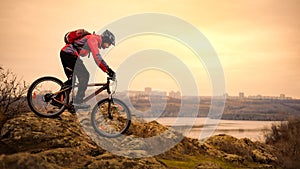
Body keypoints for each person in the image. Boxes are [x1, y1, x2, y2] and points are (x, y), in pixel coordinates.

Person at [59, 29, 116, 109]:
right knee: (85, 75)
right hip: (69, 54)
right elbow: (97, 57)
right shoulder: (93, 39)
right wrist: (108, 70)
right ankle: (78, 101)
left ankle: (58, 100)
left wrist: (107, 70)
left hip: (67, 54)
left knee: (72, 80)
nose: (108, 46)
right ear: (106, 39)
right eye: (109, 44)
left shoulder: (93, 39)